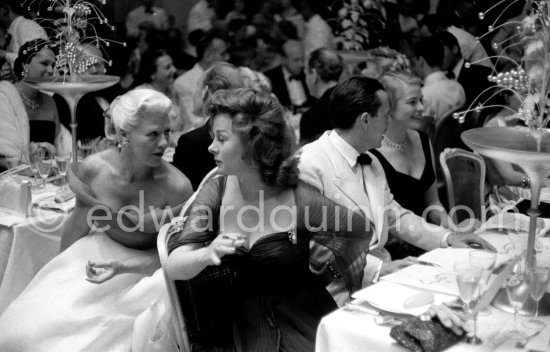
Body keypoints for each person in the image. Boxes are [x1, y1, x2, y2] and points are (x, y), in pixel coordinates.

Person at [166, 87, 372, 351]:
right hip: (238, 326)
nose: (211, 146)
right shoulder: (215, 192)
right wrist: (207, 254)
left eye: (221, 138)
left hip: (303, 317)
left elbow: (358, 230)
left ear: (253, 142)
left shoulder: (299, 197)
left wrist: (322, 270)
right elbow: (174, 265)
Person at [0, 88, 193, 351]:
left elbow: (178, 254)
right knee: (29, 333)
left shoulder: (177, 187)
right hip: (94, 255)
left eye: (167, 132)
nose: (164, 143)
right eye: (153, 134)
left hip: (146, 272)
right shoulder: (96, 169)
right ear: (123, 134)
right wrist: (57, 279)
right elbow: (77, 226)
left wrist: (131, 268)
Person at [298, 76, 495, 306]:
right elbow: (314, 247)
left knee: (460, 299)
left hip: (383, 282)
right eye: (385, 116)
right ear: (365, 120)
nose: (388, 123)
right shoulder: (308, 165)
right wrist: (381, 268)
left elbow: (395, 215)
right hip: (336, 292)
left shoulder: (370, 159)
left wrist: (448, 238)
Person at [370, 71, 450, 259]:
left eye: (421, 100)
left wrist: (448, 229)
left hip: (429, 241)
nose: (422, 108)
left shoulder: (422, 139)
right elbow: (385, 221)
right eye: (412, 102)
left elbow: (433, 202)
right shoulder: (371, 153)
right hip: (392, 254)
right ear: (387, 107)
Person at [172, 62, 246, 189]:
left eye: (197, 87)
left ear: (205, 91)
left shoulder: (191, 142)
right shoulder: (247, 129)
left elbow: (180, 194)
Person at [0, 39, 67, 167]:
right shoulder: (4, 97)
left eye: (53, 65)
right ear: (25, 65)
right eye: (44, 63)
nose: (50, 70)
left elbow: (59, 151)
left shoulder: (50, 102)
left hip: (46, 177)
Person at [300, 47, 343, 144]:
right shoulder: (355, 99)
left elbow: (307, 157)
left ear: (314, 74)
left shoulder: (312, 117)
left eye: (306, 73)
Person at [264, 39, 312, 111]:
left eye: (302, 59)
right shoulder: (269, 78)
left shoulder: (309, 72)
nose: (301, 64)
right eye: (296, 60)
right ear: (283, 59)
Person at [0, 0, 47, 68]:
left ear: (4, 9)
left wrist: (5, 55)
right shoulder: (10, 33)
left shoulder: (27, 26)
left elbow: (35, 61)